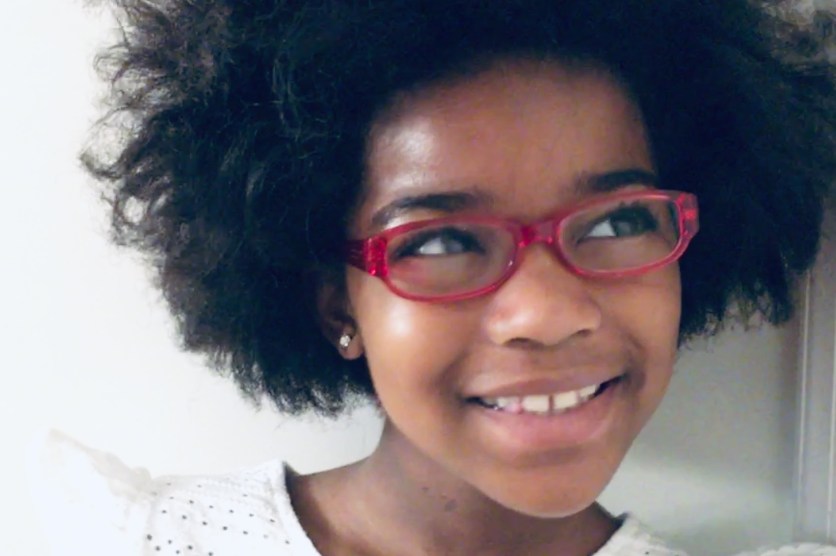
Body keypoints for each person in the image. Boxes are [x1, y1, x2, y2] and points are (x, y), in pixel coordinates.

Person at [47, 0, 836, 554]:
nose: (547, 313)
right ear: (336, 303)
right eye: (443, 240)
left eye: (617, 223)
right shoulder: (151, 541)